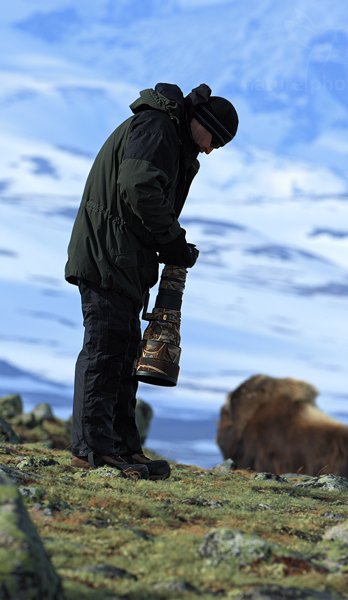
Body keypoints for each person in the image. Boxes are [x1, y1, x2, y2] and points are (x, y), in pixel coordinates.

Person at [65, 83, 238, 480]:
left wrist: (167, 245)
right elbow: (139, 187)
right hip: (107, 257)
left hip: (124, 260)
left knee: (125, 357)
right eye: (215, 140)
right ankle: (90, 450)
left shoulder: (167, 134)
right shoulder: (157, 127)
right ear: (202, 123)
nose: (211, 151)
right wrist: (173, 241)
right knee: (104, 352)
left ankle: (122, 449)